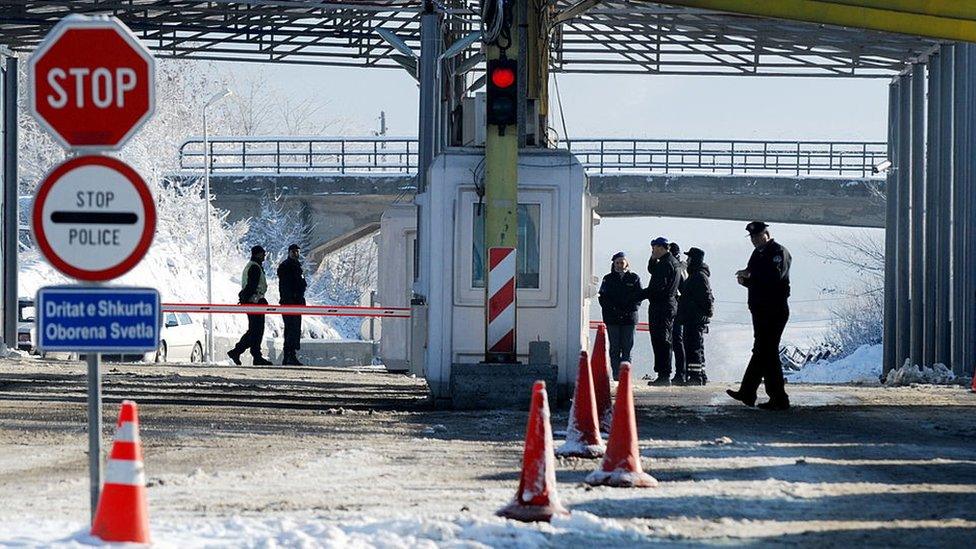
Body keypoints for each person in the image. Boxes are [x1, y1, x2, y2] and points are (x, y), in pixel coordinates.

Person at [728, 221, 792, 410]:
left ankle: (777, 397)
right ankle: (749, 392)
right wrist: (745, 280)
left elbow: (773, 279)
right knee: (762, 351)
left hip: (774, 309)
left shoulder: (778, 252)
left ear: (767, 234)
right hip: (760, 309)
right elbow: (755, 278)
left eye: (757, 237)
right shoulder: (758, 254)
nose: (754, 241)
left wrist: (750, 278)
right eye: (752, 238)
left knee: (767, 352)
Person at [598, 251, 643, 380]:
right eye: (617, 263)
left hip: (629, 319)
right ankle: (616, 374)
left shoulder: (634, 278)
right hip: (613, 319)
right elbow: (603, 298)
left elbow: (638, 297)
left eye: (621, 262)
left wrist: (628, 310)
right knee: (614, 348)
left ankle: (625, 374)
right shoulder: (608, 279)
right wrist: (613, 309)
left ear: (626, 263)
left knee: (627, 348)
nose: (619, 265)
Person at [228, 245, 273, 366]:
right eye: (263, 253)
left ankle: (241, 352)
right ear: (258, 254)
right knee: (256, 330)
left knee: (254, 330)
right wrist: (246, 298)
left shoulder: (253, 266)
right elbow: (252, 286)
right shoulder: (255, 267)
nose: (264, 256)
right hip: (255, 302)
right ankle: (246, 354)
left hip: (252, 301)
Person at [645, 237, 681, 386]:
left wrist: (636, 296)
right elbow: (653, 271)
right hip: (666, 305)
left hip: (662, 306)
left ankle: (664, 374)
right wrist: (652, 259)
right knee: (662, 339)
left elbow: (656, 287)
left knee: (661, 339)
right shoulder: (671, 262)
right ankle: (663, 372)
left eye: (654, 248)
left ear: (661, 247)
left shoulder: (666, 264)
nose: (652, 250)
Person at [677, 247, 714, 385]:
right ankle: (700, 375)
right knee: (695, 347)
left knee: (694, 348)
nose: (687, 260)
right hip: (692, 318)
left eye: (689, 258)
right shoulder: (696, 275)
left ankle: (695, 377)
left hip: (694, 319)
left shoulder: (699, 276)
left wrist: (706, 312)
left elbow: (706, 297)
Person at [277, 243, 308, 366]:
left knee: (294, 329)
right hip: (290, 302)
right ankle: (289, 355)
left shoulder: (297, 266)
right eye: (293, 252)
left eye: (297, 252)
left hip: (296, 302)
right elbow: (286, 286)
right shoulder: (286, 266)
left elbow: (301, 283)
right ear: (289, 252)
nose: (296, 254)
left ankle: (290, 355)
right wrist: (292, 298)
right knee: (291, 329)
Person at [668, 242, 689, 384]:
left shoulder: (677, 269)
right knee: (678, 341)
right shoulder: (682, 268)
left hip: (678, 309)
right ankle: (681, 372)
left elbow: (683, 289)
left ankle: (680, 373)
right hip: (680, 308)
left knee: (677, 341)